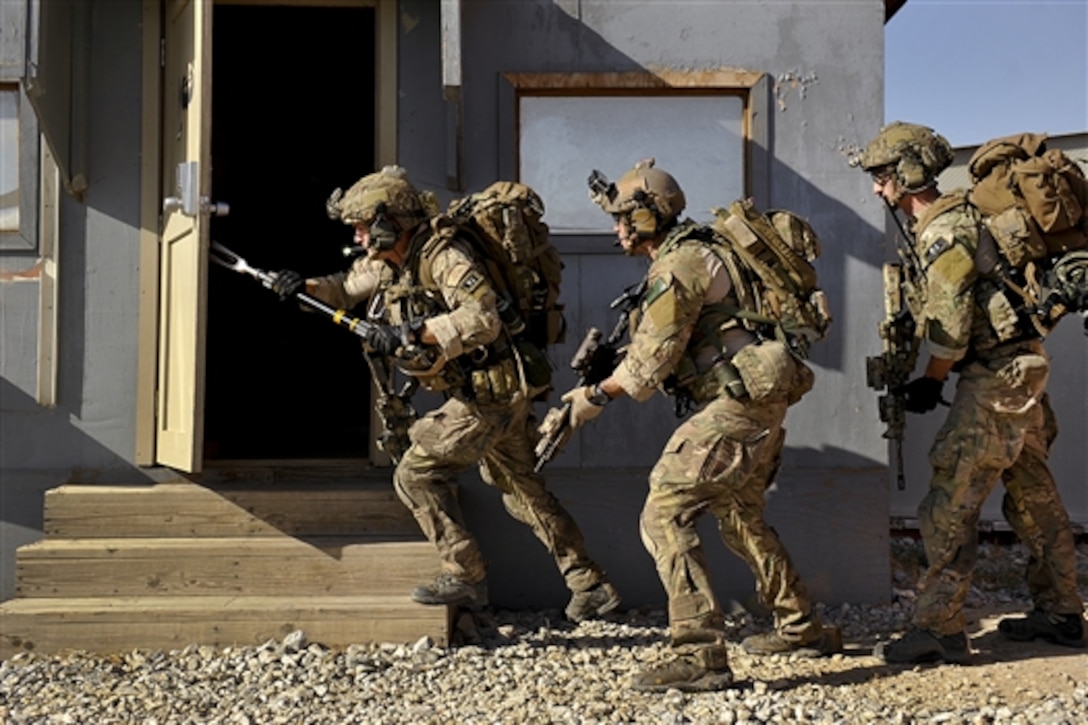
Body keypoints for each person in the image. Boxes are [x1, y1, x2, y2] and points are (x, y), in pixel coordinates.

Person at [272, 165, 620, 622]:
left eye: (361, 227)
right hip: (495, 391)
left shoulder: (443, 255)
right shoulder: (388, 260)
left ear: (389, 221)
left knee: (415, 474)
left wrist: (412, 334)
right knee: (522, 491)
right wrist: (304, 288)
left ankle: (466, 575)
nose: (357, 238)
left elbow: (482, 319)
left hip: (490, 392)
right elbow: (345, 288)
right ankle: (590, 585)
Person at [563, 159, 841, 692]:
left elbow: (648, 366)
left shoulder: (680, 264)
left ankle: (699, 654)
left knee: (664, 510)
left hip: (739, 404)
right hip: (758, 399)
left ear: (648, 217)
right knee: (740, 514)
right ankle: (801, 626)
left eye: (624, 217)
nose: (616, 228)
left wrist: (593, 397)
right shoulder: (698, 252)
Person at [856, 121, 1085, 664]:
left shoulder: (944, 230)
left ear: (908, 172)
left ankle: (939, 626)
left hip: (996, 378)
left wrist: (930, 381)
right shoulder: (957, 220)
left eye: (883, 175)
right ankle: (1062, 611)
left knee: (949, 499)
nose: (877, 187)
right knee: (1034, 494)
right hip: (1021, 369)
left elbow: (951, 329)